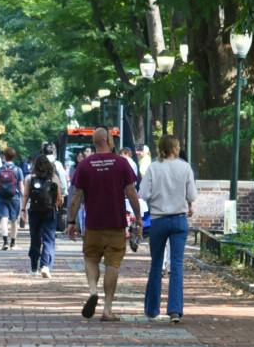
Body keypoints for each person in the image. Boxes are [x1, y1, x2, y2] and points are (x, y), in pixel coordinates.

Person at [64, 126, 141, 321]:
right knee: (113, 264)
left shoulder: (85, 165)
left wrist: (71, 221)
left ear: (94, 143)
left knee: (91, 258)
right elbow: (131, 192)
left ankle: (92, 290)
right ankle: (107, 309)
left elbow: (76, 197)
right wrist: (138, 218)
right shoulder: (122, 163)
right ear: (108, 140)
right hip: (116, 222)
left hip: (93, 223)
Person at [138, 134, 198, 322]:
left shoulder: (154, 168)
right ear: (174, 148)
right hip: (179, 220)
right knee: (177, 265)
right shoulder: (185, 167)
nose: (179, 148)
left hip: (159, 219)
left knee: (156, 263)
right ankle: (175, 310)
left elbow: (143, 193)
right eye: (178, 145)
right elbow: (191, 194)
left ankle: (152, 309)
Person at [23, 152, 62, 277]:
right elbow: (59, 197)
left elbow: (26, 195)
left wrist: (23, 210)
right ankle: (45, 266)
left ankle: (34, 267)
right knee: (49, 239)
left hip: (34, 211)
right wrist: (56, 206)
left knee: (35, 239)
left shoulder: (30, 178)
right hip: (50, 211)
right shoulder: (54, 178)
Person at [0, 147, 23, 250]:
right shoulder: (18, 170)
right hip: (14, 197)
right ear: (14, 157)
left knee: (3, 219)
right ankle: (13, 243)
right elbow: (21, 186)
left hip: (1, 197)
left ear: (4, 156)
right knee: (14, 220)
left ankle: (5, 242)